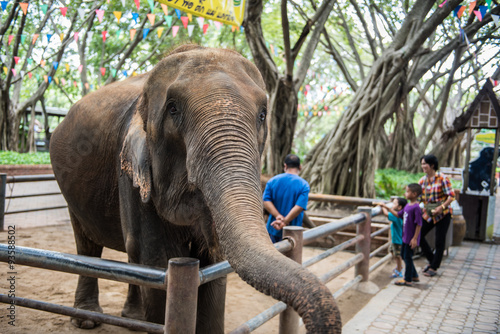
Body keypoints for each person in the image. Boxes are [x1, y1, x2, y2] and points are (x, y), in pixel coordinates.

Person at [379, 184, 422, 287]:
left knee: (407, 257)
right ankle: (414, 275)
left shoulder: (416, 208)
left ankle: (407, 280)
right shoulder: (408, 206)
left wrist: (415, 238)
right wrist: (386, 207)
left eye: (407, 192)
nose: (405, 193)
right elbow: (398, 214)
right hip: (405, 237)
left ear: (414, 194)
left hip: (411, 238)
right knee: (404, 255)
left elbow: (419, 224)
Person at [419, 154, 455, 277]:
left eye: (425, 164)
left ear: (432, 165)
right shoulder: (422, 181)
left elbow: (451, 196)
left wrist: (442, 207)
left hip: (443, 214)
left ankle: (434, 267)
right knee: (418, 234)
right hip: (429, 213)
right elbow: (419, 199)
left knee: (440, 241)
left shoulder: (442, 178)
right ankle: (432, 259)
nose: (423, 166)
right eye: (422, 163)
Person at [263, 154, 310, 243]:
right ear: (300, 167)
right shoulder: (304, 185)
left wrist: (278, 216)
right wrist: (285, 221)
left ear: (285, 166)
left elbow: (266, 201)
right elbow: (299, 207)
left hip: (273, 227)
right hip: (293, 231)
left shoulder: (272, 181)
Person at [375, 198, 407, 278]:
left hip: (398, 240)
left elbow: (386, 214)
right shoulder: (400, 214)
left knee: (398, 256)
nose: (392, 205)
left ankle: (399, 271)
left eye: (394, 203)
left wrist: (383, 206)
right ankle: (399, 267)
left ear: (399, 207)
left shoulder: (397, 215)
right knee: (393, 252)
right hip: (396, 239)